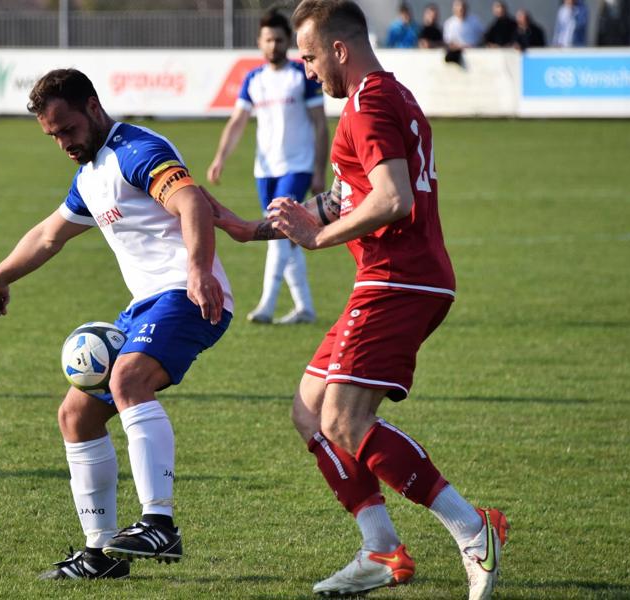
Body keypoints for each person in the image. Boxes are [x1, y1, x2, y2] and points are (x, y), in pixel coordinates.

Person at [210, 1, 508, 598]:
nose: (307, 66)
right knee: (309, 411)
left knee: (344, 420)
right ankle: (380, 548)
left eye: (312, 55)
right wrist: (251, 228)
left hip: (398, 277)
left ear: (340, 49)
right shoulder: (387, 96)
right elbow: (349, 197)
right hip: (394, 275)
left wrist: (316, 237)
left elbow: (393, 198)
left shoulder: (368, 105)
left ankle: (473, 528)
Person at [0, 68, 233, 580]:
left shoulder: (136, 150)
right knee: (76, 415)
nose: (63, 143)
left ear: (93, 107)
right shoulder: (90, 175)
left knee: (127, 380)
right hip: (145, 305)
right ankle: (99, 554)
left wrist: (200, 272)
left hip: (186, 295)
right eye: (53, 136)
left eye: (67, 129)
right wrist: (0, 276)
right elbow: (49, 235)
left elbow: (191, 203)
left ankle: (159, 522)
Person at [207, 9, 325, 325]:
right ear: (260, 42)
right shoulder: (253, 79)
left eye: (279, 39)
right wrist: (220, 157)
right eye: (268, 40)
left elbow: (320, 125)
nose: (274, 45)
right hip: (265, 170)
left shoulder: (302, 75)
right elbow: (237, 122)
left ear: (289, 41)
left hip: (297, 166)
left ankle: (266, 306)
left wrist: (318, 169)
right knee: (287, 237)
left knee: (279, 228)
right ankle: (305, 307)